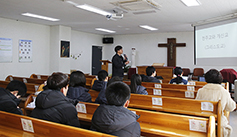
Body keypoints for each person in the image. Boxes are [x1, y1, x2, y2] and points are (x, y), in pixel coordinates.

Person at [195, 69, 236, 137]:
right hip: (218, 124)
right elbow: (231, 107)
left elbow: (197, 105)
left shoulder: (201, 91)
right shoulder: (224, 92)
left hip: (204, 121)